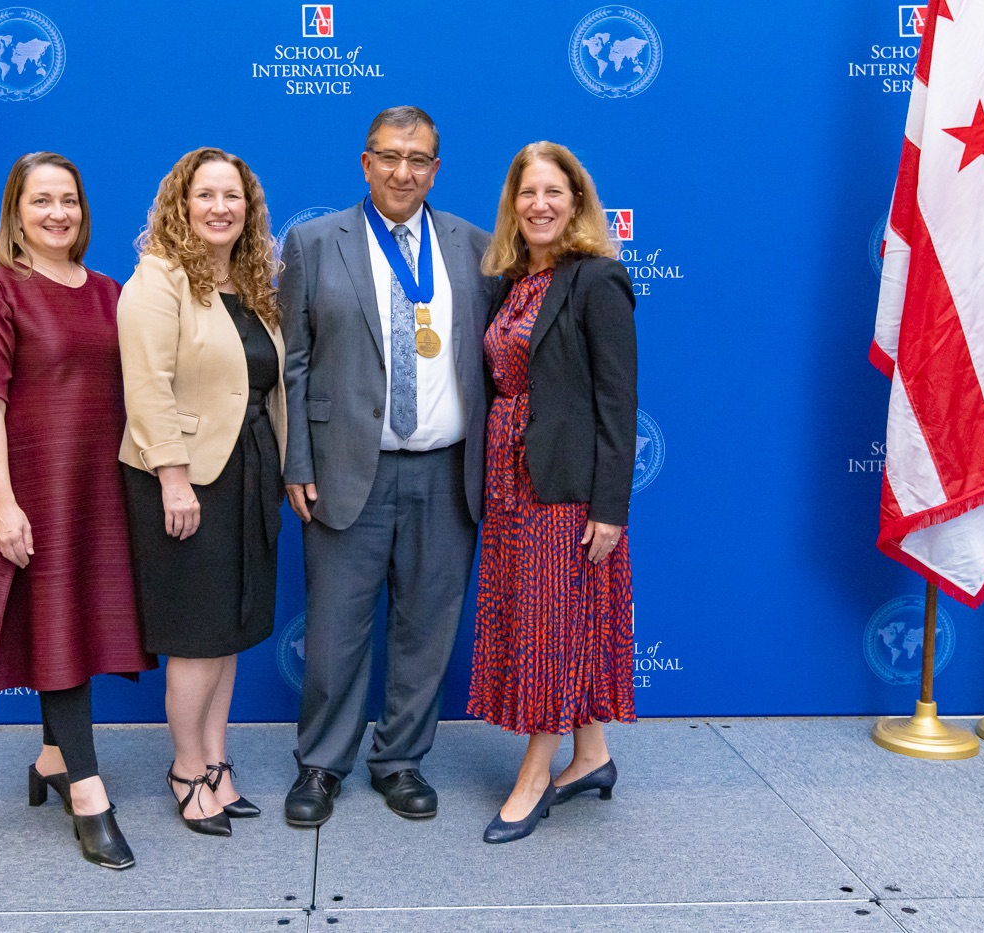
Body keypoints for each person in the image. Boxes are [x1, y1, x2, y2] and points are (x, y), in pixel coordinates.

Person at [279, 106, 492, 826]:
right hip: (345, 469)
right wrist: (296, 461)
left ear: (437, 167)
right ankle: (321, 763)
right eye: (391, 156)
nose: (405, 171)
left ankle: (401, 758)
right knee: (336, 631)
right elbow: (296, 363)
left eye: (420, 159)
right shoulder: (312, 242)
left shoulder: (475, 247)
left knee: (427, 626)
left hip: (446, 470)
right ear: (365, 162)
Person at [0, 152, 156, 870]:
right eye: (42, 201)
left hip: (100, 487)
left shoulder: (108, 292)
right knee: (57, 624)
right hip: (34, 488)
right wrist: (4, 504)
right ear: (16, 212)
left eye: (68, 199)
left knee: (71, 624)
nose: (57, 213)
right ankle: (90, 793)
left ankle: (50, 759)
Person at [468, 141, 638, 844]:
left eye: (553, 193)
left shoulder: (596, 279)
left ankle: (535, 774)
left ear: (576, 203)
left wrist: (610, 508)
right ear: (513, 205)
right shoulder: (512, 280)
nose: (539, 204)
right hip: (508, 477)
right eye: (527, 193)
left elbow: (619, 401)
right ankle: (591, 755)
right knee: (553, 619)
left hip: (564, 485)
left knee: (547, 628)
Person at [118, 147, 286, 838]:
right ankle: (186, 767)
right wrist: (173, 476)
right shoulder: (157, 279)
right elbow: (147, 386)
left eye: (233, 196)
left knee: (228, 631)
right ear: (181, 205)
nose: (221, 207)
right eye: (206, 195)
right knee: (194, 635)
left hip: (249, 472)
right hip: (182, 480)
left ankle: (217, 761)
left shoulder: (250, 284)